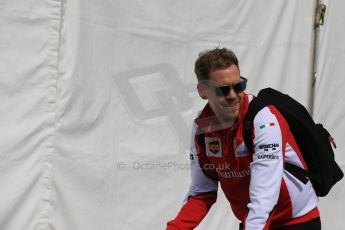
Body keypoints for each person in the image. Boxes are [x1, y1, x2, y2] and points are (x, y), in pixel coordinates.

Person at [166, 48, 321, 230]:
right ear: (202, 91)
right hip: (254, 220)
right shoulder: (202, 128)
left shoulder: (264, 119)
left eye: (238, 86)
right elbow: (202, 191)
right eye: (223, 90)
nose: (233, 95)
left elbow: (264, 198)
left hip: (296, 222)